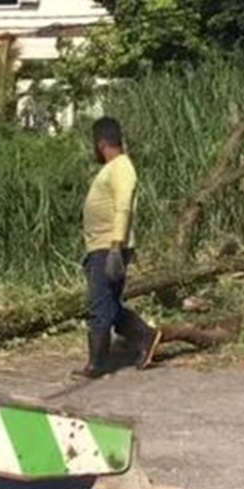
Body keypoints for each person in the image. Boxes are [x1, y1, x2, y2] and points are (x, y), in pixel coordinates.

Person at [77, 117, 159, 379]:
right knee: (108, 304)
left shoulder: (121, 168)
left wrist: (115, 247)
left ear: (101, 143)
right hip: (101, 247)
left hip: (109, 248)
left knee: (99, 305)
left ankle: (98, 363)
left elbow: (123, 207)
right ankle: (146, 336)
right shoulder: (112, 168)